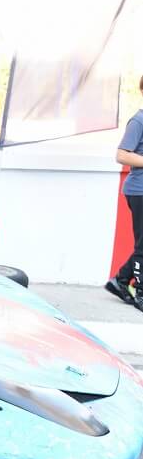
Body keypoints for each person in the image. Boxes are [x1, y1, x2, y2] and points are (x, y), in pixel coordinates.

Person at [106, 75, 143, 312]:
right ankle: (140, 292)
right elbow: (122, 155)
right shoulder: (139, 121)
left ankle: (120, 280)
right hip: (139, 191)